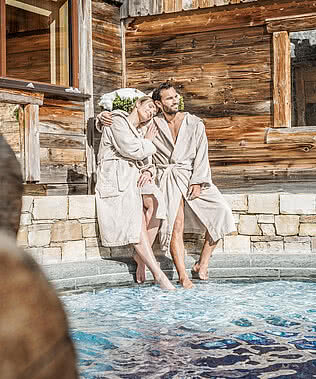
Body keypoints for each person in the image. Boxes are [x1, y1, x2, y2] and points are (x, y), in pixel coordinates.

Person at [98, 83, 236, 289]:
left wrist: (198, 180)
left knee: (222, 213)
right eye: (169, 98)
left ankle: (203, 263)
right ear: (159, 104)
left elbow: (202, 154)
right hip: (166, 177)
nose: (175, 100)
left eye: (176, 96)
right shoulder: (151, 123)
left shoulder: (194, 123)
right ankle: (182, 276)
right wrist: (101, 119)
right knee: (175, 223)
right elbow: (130, 134)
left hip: (191, 175)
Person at [95, 96, 175, 290]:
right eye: (148, 107)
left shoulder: (141, 131)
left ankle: (140, 256)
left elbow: (148, 160)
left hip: (136, 176)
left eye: (153, 112)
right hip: (117, 177)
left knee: (157, 204)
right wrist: (148, 142)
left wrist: (148, 171)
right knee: (136, 214)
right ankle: (158, 274)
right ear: (137, 104)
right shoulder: (116, 120)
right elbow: (131, 149)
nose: (150, 112)